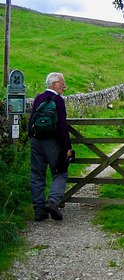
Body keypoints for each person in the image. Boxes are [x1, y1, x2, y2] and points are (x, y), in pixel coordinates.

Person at [28, 72, 72, 221]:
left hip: (36, 141)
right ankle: (53, 202)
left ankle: (39, 211)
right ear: (54, 84)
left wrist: (31, 138)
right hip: (52, 142)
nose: (64, 86)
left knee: (37, 175)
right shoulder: (58, 101)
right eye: (62, 83)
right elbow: (62, 126)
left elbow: (31, 121)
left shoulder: (38, 98)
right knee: (60, 172)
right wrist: (67, 147)